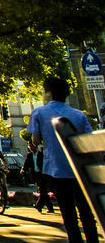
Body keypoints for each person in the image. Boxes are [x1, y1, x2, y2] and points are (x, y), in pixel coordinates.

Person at [29, 75, 100, 243]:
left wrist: (34, 145)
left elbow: (35, 141)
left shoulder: (39, 112)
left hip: (57, 169)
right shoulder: (78, 115)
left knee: (68, 213)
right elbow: (91, 143)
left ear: (48, 93)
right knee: (86, 212)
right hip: (81, 169)